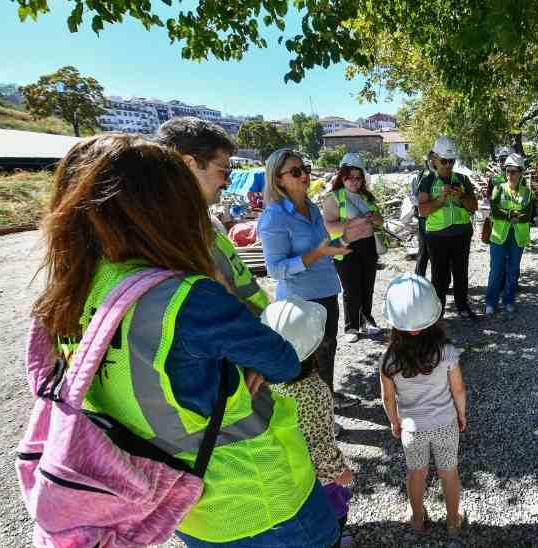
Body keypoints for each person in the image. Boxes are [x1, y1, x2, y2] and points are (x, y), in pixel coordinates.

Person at [32, 135, 339, 547]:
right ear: (161, 206)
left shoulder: (66, 295)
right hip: (259, 493)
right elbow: (283, 361)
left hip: (177, 502)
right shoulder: (188, 298)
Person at [258, 148, 354, 406]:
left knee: (328, 349)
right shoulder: (274, 217)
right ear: (278, 179)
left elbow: (320, 247)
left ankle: (329, 396)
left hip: (326, 290)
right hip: (300, 301)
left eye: (305, 169)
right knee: (306, 359)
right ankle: (318, 412)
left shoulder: (311, 207)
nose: (304, 176)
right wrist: (318, 253)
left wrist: (338, 245)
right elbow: (275, 269)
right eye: (296, 172)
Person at [378, 274, 468, 538]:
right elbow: (458, 389)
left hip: (412, 429)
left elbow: (387, 398)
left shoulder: (389, 359)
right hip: (445, 423)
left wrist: (394, 421)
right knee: (449, 472)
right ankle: (453, 522)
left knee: (416, 473)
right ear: (434, 317)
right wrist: (461, 414)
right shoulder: (447, 352)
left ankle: (417, 520)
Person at [156, 117, 270, 314]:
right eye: (224, 172)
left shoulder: (207, 224)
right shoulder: (168, 238)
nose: (227, 183)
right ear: (188, 164)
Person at [270, 302, 355, 547]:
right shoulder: (316, 391)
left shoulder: (265, 383)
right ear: (314, 348)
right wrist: (340, 471)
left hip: (283, 473)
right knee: (333, 515)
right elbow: (319, 444)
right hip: (318, 480)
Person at [323, 152, 385, 343]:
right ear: (342, 176)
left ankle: (367, 320)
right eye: (350, 178)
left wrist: (374, 219)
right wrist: (351, 224)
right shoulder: (333, 198)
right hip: (345, 247)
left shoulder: (366, 197)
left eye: (358, 178)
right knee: (351, 289)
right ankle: (351, 326)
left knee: (367, 286)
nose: (354, 182)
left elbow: (380, 222)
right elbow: (328, 226)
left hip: (368, 246)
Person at [417, 136, 480, 320]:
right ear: (434, 159)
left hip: (461, 234)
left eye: (451, 161)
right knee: (440, 276)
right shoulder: (427, 181)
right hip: (437, 237)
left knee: (461, 272)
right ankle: (439, 311)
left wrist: (461, 196)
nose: (448, 165)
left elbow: (473, 207)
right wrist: (441, 199)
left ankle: (462, 306)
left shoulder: (462, 179)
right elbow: (422, 210)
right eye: (444, 161)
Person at [484, 153, 534, 318]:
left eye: (514, 171)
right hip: (499, 236)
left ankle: (509, 301)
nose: (510, 175)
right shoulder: (498, 188)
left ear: (521, 173)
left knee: (513, 271)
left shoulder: (527, 193)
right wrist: (510, 215)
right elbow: (494, 209)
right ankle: (490, 303)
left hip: (518, 237)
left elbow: (527, 214)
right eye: (508, 171)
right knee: (496, 270)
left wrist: (509, 213)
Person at [411, 152, 436, 276]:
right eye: (431, 160)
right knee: (424, 251)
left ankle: (441, 283)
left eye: (436, 159)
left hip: (437, 220)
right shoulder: (421, 176)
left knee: (437, 253)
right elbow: (414, 197)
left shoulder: (441, 175)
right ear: (427, 161)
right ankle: (419, 279)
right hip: (425, 218)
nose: (433, 162)